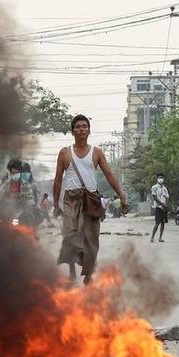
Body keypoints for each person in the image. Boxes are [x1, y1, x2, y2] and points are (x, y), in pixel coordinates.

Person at [53, 114, 129, 285]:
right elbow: (58, 179)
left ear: (89, 130)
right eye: (78, 126)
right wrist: (55, 204)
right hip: (71, 199)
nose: (81, 129)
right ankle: (72, 271)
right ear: (73, 131)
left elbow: (110, 175)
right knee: (70, 235)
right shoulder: (65, 153)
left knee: (91, 238)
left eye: (84, 126)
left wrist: (122, 196)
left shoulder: (97, 153)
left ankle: (89, 274)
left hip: (91, 199)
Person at [150, 173, 169, 243]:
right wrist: (162, 204)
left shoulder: (165, 188)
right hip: (158, 207)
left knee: (163, 223)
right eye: (159, 177)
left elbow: (167, 197)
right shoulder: (154, 187)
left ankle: (160, 237)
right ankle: (152, 237)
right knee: (157, 223)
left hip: (164, 208)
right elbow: (154, 197)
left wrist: (166, 205)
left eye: (162, 178)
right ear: (157, 178)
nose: (161, 179)